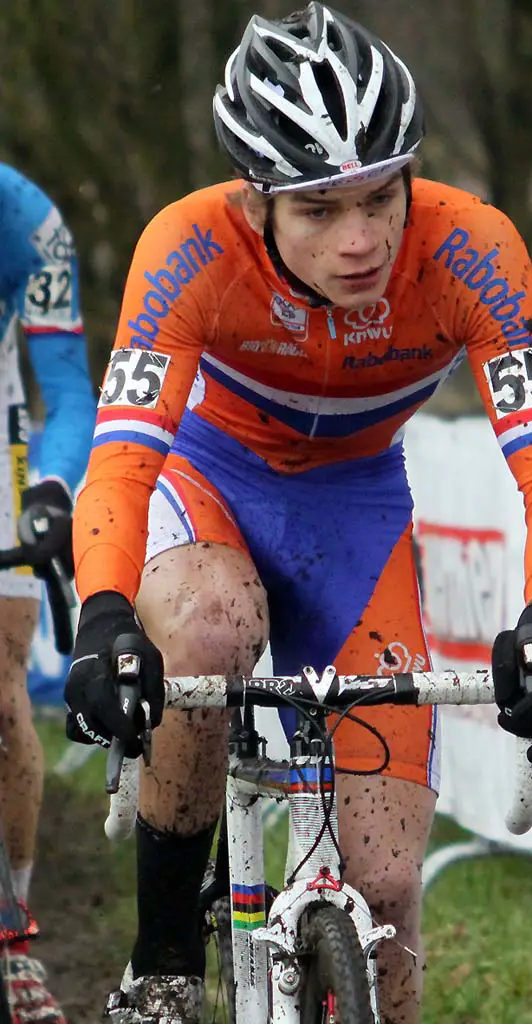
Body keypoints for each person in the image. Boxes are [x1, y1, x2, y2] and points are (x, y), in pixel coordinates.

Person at [64, 4, 532, 1022]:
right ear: (255, 200)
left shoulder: (472, 247)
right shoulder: (184, 245)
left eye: (379, 197)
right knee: (211, 626)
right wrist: (102, 616)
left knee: (389, 889)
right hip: (212, 480)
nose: (359, 240)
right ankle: (166, 963)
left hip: (356, 513)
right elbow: (126, 458)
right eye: (316, 210)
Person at [0, 162, 96, 1021]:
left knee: (1, 699)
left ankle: (11, 933)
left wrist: (54, 487)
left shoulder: (28, 216)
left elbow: (66, 388)